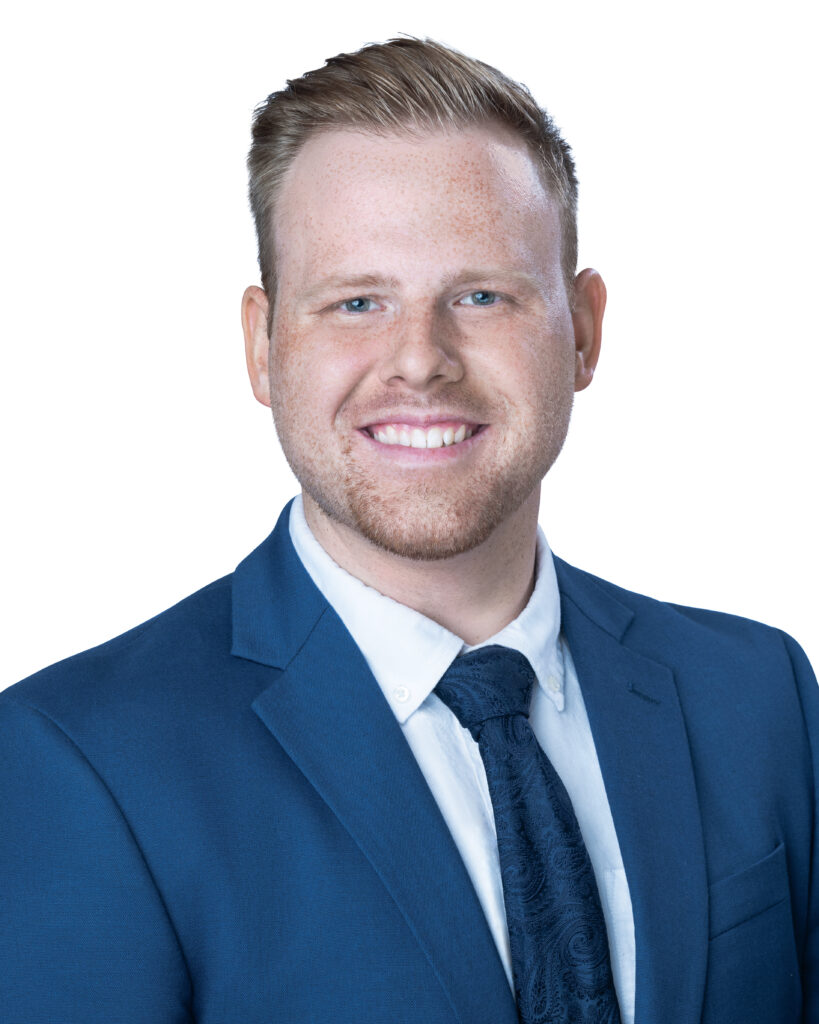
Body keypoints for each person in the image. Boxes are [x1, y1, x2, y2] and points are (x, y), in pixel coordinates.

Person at [1, 36, 816, 1024]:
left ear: (585, 329)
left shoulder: (760, 698)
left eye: (481, 295)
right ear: (262, 347)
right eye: (357, 301)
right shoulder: (78, 761)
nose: (420, 360)